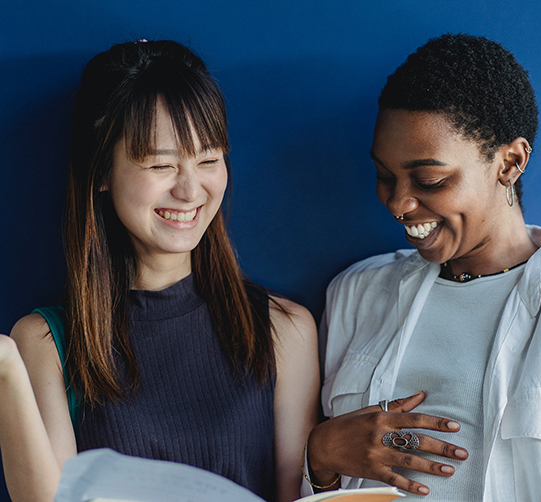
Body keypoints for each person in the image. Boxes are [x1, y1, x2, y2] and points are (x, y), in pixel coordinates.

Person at [0, 40, 320, 502]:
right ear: (102, 172)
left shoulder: (283, 328)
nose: (191, 190)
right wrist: (8, 371)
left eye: (210, 160)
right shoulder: (47, 341)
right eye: (161, 164)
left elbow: (298, 490)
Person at [303, 34, 541, 501]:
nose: (399, 203)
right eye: (385, 176)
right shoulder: (357, 293)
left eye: (429, 180)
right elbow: (315, 488)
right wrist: (319, 456)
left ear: (510, 162)